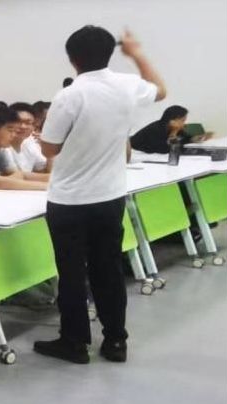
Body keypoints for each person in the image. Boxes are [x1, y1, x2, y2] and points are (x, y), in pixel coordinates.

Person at [35, 27, 165, 364]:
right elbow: (161, 90)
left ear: (72, 59)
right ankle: (116, 341)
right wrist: (136, 53)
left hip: (69, 200)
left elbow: (49, 148)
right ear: (110, 53)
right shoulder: (127, 85)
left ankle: (75, 342)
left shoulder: (69, 95)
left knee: (72, 273)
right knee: (108, 269)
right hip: (110, 197)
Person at [130, 105, 208, 154]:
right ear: (171, 120)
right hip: (134, 151)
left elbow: (184, 138)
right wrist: (174, 133)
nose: (184, 123)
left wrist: (193, 139)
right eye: (182, 120)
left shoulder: (174, 128)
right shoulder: (155, 129)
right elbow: (163, 149)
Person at [9, 102, 48, 173]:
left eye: (28, 123)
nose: (23, 126)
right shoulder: (1, 148)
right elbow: (17, 177)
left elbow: (45, 171)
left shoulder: (30, 144)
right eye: (18, 121)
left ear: (34, 126)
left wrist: (48, 148)